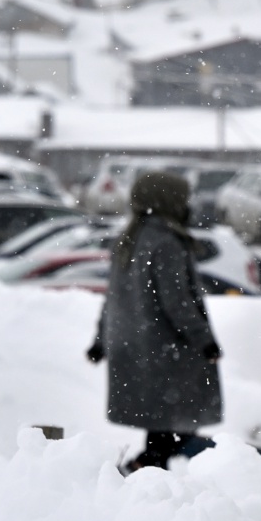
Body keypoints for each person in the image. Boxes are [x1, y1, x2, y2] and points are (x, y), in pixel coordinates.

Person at [87, 172, 223, 473]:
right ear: (168, 201)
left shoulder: (130, 239)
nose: (188, 206)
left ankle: (145, 472)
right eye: (183, 199)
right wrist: (205, 341)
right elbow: (178, 302)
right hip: (166, 348)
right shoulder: (166, 243)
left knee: (162, 423)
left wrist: (100, 341)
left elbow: (113, 299)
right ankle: (143, 469)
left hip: (137, 346)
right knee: (178, 423)